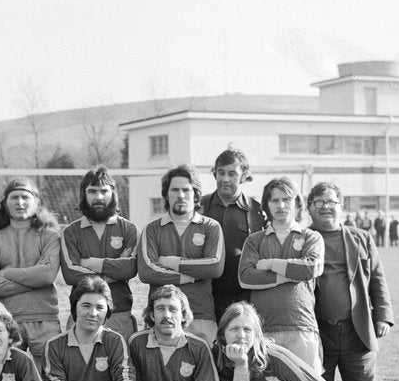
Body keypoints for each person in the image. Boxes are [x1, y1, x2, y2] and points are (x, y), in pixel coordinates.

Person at [307, 182, 394, 381]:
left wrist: (383, 315)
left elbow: (378, 280)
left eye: (331, 201)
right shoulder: (304, 239)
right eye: (319, 202)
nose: (326, 207)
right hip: (319, 333)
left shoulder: (362, 238)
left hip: (358, 331)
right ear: (310, 208)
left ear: (340, 206)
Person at [237, 176, 324, 370]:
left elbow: (311, 268)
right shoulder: (255, 240)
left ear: (297, 204)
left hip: (302, 326)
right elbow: (245, 277)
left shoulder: (311, 236)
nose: (281, 205)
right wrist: (291, 274)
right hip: (264, 329)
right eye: (275, 200)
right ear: (267, 205)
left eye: (287, 199)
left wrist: (269, 263)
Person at [137, 164, 225, 345]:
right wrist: (192, 277)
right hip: (161, 317)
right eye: (175, 189)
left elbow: (214, 267)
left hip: (201, 316)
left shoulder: (210, 227)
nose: (181, 195)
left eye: (187, 189)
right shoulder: (152, 229)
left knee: (204, 370)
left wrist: (172, 262)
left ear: (196, 194)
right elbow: (147, 272)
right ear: (166, 194)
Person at [0, 178, 62, 361]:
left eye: (25, 197)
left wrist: (7, 273)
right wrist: (33, 282)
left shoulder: (50, 237)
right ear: (5, 204)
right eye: (14, 197)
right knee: (9, 378)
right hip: (6, 320)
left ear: (36, 202)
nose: (20, 202)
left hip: (45, 319)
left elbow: (47, 275)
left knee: (50, 378)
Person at [59, 165, 139, 339]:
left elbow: (130, 268)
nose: (99, 197)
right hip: (81, 314)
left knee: (122, 365)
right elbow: (71, 274)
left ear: (113, 194)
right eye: (92, 191)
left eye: (104, 191)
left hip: (120, 312)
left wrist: (93, 264)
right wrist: (114, 271)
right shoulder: (70, 232)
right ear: (83, 194)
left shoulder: (128, 229)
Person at [200, 145, 268, 322]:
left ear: (244, 175)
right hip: (205, 296)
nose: (225, 179)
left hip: (243, 298)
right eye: (221, 173)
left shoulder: (257, 211)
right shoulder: (199, 207)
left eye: (232, 174)